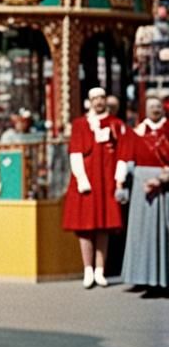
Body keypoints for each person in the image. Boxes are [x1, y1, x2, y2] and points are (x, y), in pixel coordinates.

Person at [62, 86, 128, 288]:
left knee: (104, 227)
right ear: (90, 102)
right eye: (95, 99)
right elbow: (75, 153)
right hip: (87, 182)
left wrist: (119, 179)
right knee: (85, 227)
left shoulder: (116, 124)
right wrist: (81, 178)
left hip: (106, 181)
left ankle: (100, 269)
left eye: (102, 98)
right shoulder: (81, 124)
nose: (99, 102)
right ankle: (87, 269)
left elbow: (123, 154)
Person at [117, 95, 169, 294]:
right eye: (151, 107)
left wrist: (162, 179)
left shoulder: (167, 130)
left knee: (162, 232)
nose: (155, 110)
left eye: (158, 106)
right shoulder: (137, 132)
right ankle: (141, 277)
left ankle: (161, 280)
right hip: (141, 184)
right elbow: (125, 157)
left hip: (163, 185)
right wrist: (120, 183)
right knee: (140, 232)